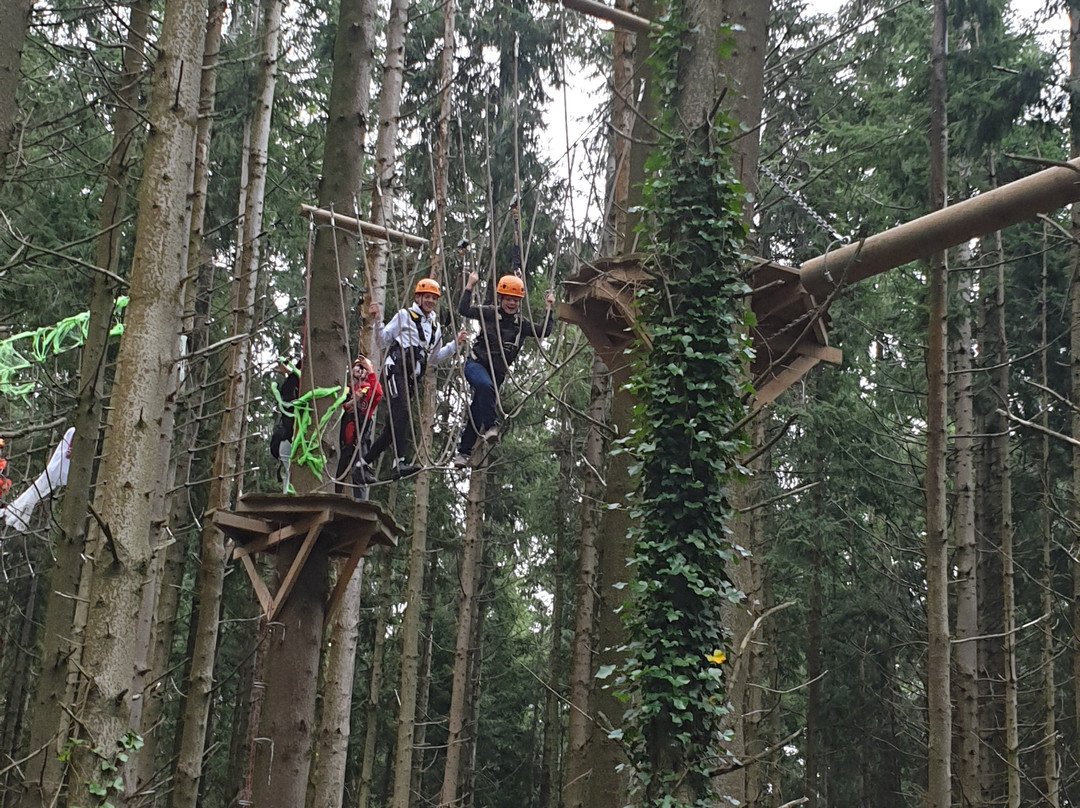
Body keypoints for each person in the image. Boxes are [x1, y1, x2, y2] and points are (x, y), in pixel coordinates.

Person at [365, 278, 467, 478]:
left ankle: (362, 463)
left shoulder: (435, 328)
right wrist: (377, 320)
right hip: (395, 370)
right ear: (419, 298)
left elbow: (434, 357)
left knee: (392, 428)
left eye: (434, 298)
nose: (430, 301)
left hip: (411, 377)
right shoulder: (404, 316)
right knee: (402, 413)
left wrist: (455, 344)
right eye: (427, 297)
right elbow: (382, 341)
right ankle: (399, 462)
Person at [453, 271, 554, 467]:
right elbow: (464, 310)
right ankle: (492, 425)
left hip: (497, 374)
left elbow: (544, 331)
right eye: (508, 299)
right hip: (476, 364)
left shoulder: (520, 325)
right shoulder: (490, 313)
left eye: (515, 300)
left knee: (477, 411)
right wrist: (469, 286)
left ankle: (463, 453)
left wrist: (549, 307)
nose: (511, 303)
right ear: (501, 299)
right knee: (484, 386)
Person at [336, 354, 383, 497]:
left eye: (362, 367)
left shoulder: (368, 388)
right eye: (357, 366)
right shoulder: (345, 389)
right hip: (344, 438)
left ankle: (361, 501)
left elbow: (378, 394)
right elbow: (336, 407)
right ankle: (336, 496)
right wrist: (349, 403)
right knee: (340, 472)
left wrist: (370, 371)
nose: (359, 369)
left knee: (359, 472)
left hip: (360, 436)